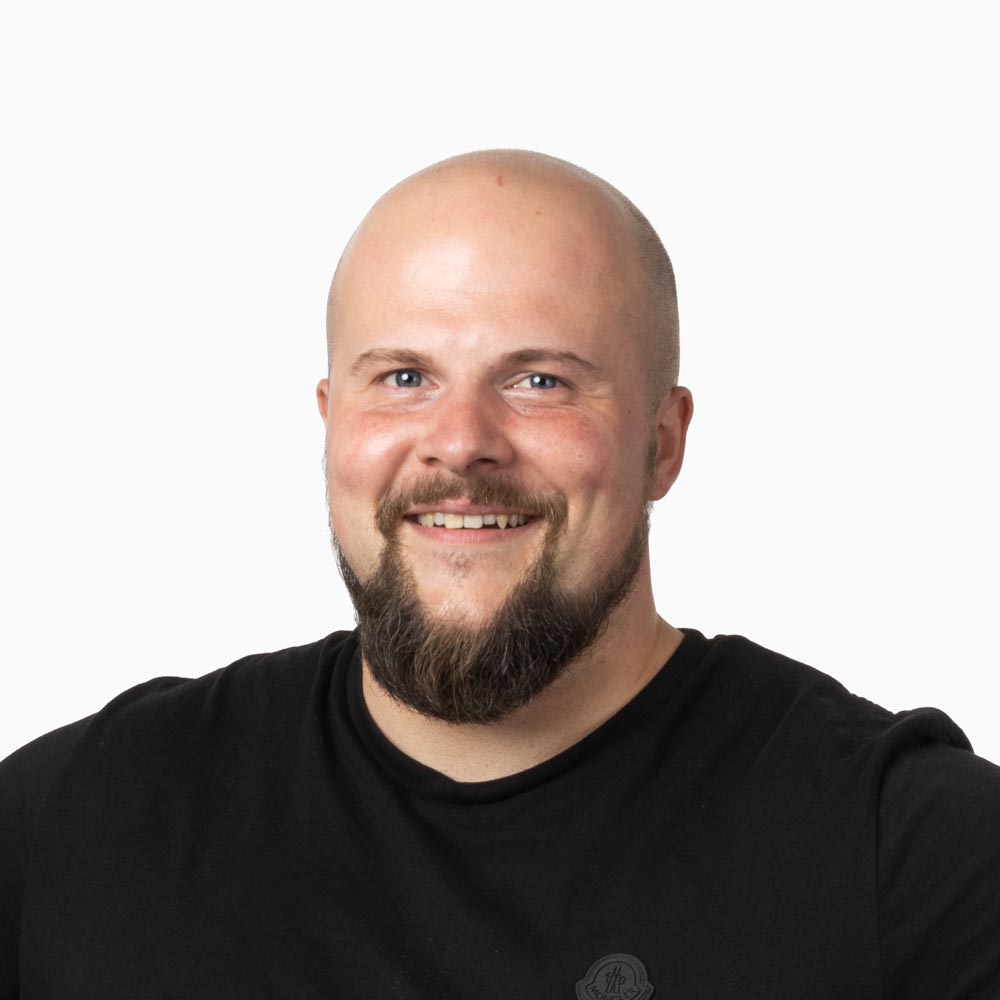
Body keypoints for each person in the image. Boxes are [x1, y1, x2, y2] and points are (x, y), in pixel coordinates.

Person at [1, 150, 998, 999]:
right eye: (404, 378)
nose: (460, 441)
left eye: (539, 380)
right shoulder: (69, 827)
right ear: (331, 422)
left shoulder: (914, 862)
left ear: (662, 442)